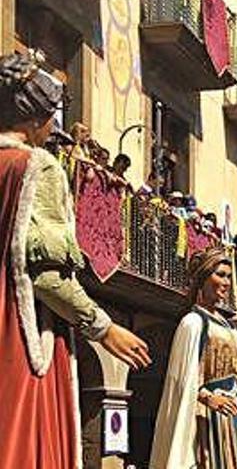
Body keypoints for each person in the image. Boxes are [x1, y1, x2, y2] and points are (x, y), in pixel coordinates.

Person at [0, 50, 151, 468]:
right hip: (20, 343)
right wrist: (105, 329)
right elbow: (47, 278)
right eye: (52, 116)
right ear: (35, 119)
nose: (54, 128)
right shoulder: (36, 167)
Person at [150, 248, 237, 468]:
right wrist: (209, 398)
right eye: (220, 275)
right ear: (203, 279)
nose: (226, 282)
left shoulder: (232, 330)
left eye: (229, 276)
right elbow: (183, 378)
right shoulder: (193, 323)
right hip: (206, 418)